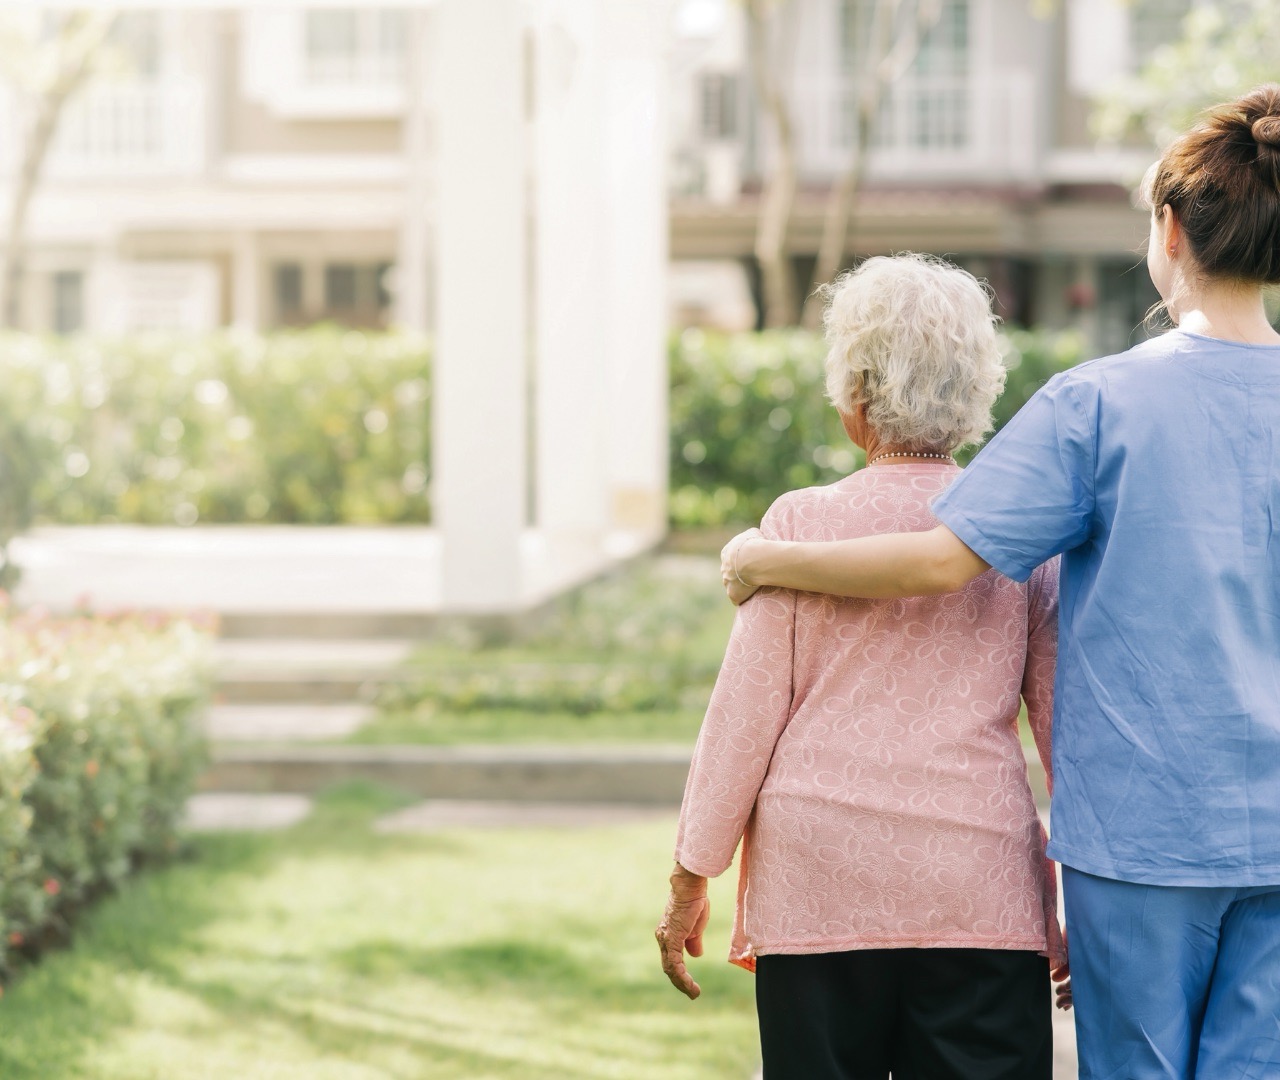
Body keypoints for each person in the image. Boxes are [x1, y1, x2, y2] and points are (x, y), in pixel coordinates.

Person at [719, 85, 1280, 1080]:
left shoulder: (1098, 403)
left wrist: (771, 559)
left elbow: (942, 557)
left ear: (1167, 230)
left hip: (1141, 842)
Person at [655, 253, 1069, 1080]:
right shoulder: (1020, 536)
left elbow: (742, 723)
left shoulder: (797, 526)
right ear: (977, 389)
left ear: (856, 395)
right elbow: (1070, 735)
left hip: (821, 882)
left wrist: (689, 882)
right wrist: (1085, 905)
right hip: (977, 888)